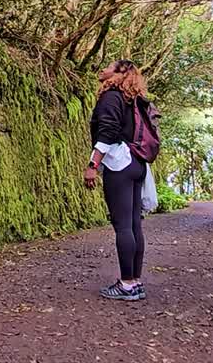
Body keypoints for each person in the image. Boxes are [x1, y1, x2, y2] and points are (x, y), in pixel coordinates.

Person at [84, 59, 151, 302]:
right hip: (136, 164)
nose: (102, 68)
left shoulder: (111, 96)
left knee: (122, 225)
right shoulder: (130, 99)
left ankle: (126, 284)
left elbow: (108, 132)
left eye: (108, 66)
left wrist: (93, 164)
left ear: (119, 73)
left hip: (119, 164)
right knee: (133, 225)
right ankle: (135, 282)